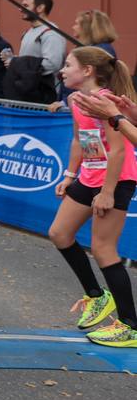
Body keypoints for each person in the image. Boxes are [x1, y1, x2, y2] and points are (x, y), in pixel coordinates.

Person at [48, 47, 137, 347]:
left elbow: (120, 149)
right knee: (59, 233)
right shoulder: (76, 100)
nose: (62, 70)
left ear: (87, 71)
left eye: (68, 64)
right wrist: (69, 176)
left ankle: (129, 325)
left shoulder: (105, 102)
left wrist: (108, 192)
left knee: (103, 249)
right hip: (89, 176)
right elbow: (80, 140)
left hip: (116, 179)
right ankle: (97, 296)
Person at [7, 0, 65, 92]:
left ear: (40, 8)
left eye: (25, 5)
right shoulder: (28, 32)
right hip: (28, 91)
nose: (20, 9)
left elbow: (52, 64)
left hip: (44, 94)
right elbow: (29, 60)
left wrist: (17, 64)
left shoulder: (51, 34)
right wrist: (14, 61)